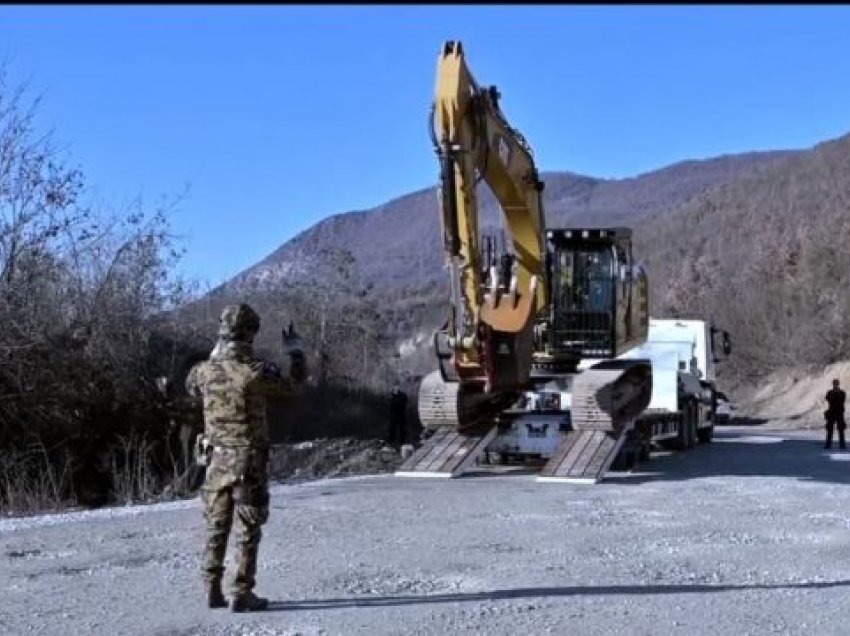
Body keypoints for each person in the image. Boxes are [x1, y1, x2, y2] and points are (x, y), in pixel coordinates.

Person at [186, 303, 306, 612]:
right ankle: (241, 592)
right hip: (248, 460)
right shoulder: (255, 372)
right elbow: (294, 387)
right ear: (251, 333)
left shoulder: (202, 372)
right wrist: (295, 353)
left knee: (216, 523)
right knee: (248, 526)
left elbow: (190, 390)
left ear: (222, 334)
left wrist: (216, 355)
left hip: (215, 459)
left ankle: (211, 588)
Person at [824, 378, 846, 450]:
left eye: (836, 384)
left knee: (841, 430)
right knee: (830, 430)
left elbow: (841, 401)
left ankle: (842, 445)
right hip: (832, 412)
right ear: (833, 384)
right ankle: (828, 445)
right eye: (835, 384)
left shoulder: (841, 392)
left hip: (838, 412)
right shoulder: (830, 392)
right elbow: (828, 399)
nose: (836, 385)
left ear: (838, 384)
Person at [387, 383, 408, 447]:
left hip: (401, 414)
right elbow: (389, 404)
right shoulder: (391, 395)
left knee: (402, 428)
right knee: (392, 428)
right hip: (393, 414)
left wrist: (397, 403)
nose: (396, 388)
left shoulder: (403, 395)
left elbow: (404, 403)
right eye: (395, 387)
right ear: (393, 387)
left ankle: (402, 442)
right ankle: (391, 441)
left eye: (397, 386)